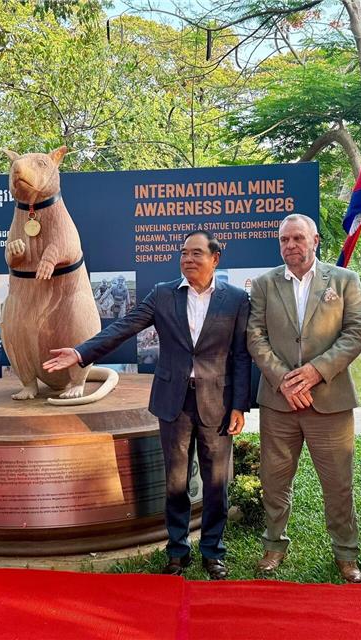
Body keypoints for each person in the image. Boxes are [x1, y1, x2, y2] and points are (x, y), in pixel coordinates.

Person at [44, 230, 251, 580]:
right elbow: (123, 328)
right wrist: (80, 353)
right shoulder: (163, 295)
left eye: (196, 253)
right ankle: (177, 551)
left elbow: (242, 356)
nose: (188, 259)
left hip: (218, 403)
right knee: (175, 482)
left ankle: (213, 551)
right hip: (174, 402)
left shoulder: (235, 299)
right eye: (184, 253)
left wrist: (239, 406)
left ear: (215, 259)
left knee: (216, 484)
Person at [246, 214, 361, 583]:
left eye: (298, 238)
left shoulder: (344, 280)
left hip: (329, 400)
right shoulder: (266, 284)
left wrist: (316, 371)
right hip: (279, 402)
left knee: (337, 482)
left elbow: (357, 332)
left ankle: (346, 554)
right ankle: (273, 546)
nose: (290, 246)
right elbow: (255, 336)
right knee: (274, 479)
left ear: (315, 240)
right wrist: (284, 379)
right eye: (284, 240)